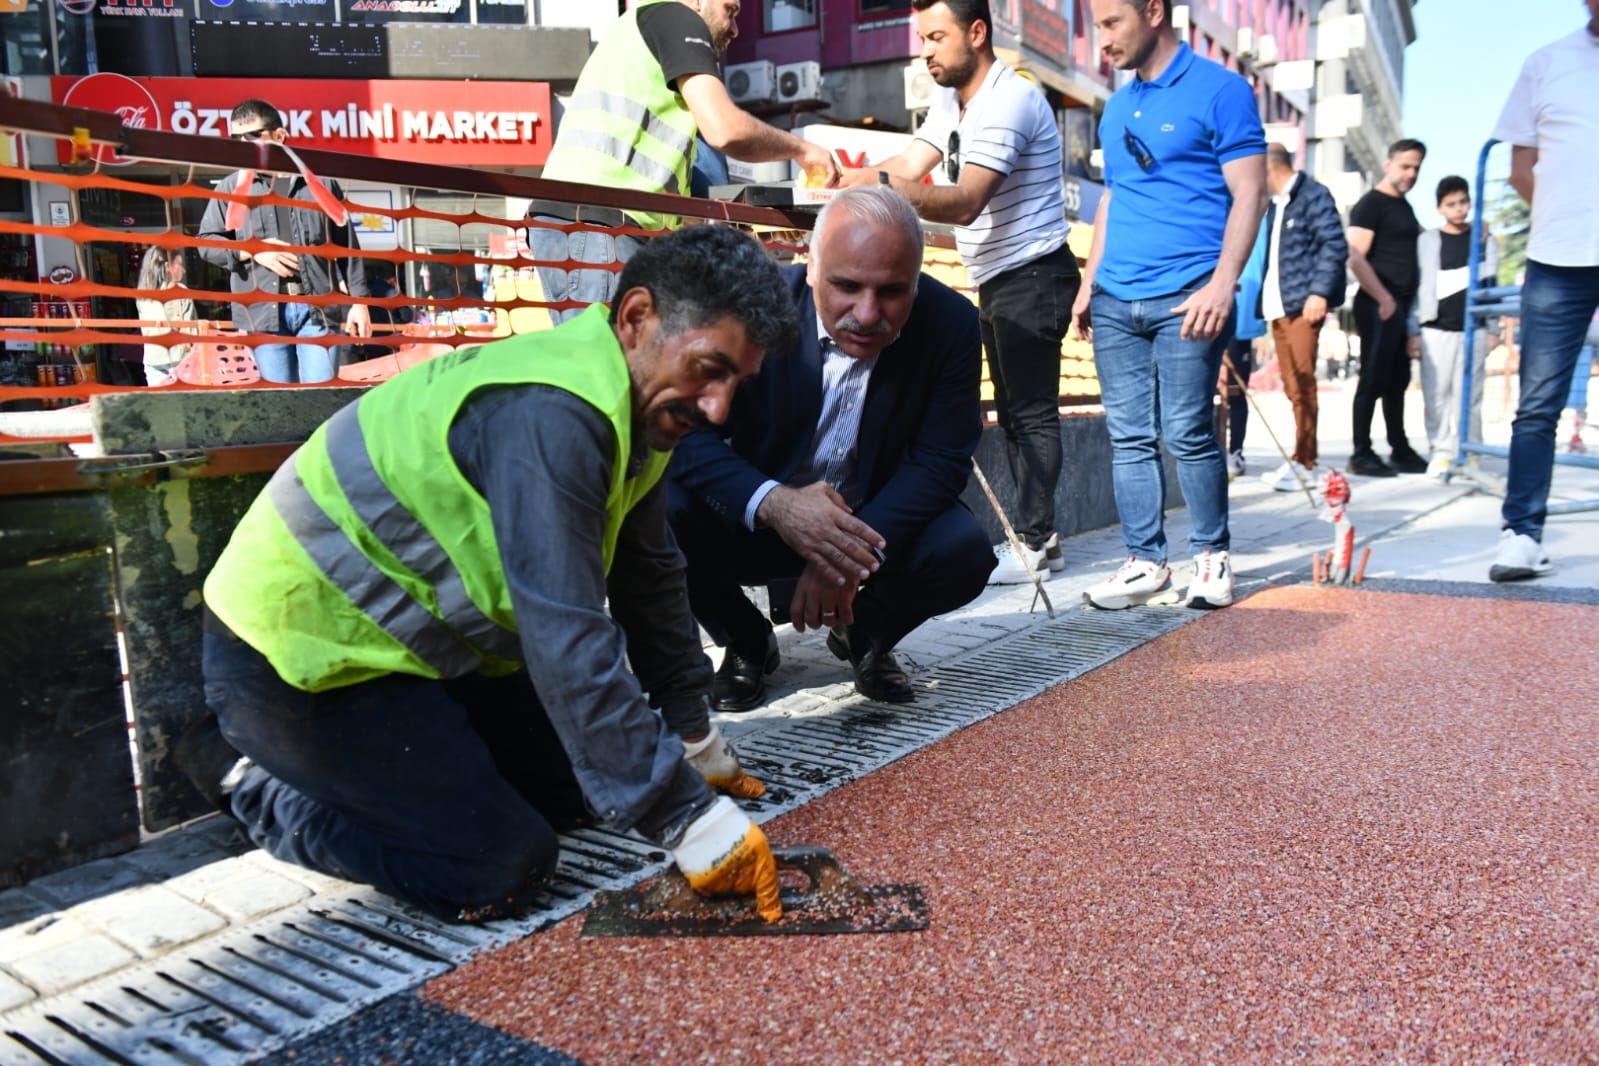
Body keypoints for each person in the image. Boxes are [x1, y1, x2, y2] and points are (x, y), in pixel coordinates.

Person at [183, 225, 797, 924]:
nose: (717, 407)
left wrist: (693, 737)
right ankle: (254, 784)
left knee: (586, 787)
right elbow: (565, 634)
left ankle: (396, 778)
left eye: (734, 384)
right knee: (495, 864)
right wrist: (691, 823)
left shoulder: (642, 404)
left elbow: (648, 578)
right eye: (708, 369)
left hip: (418, 657)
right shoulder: (553, 413)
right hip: (296, 659)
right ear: (636, 318)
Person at [668, 185, 992, 711]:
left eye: (892, 291)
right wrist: (775, 503)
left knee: (965, 550)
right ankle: (746, 641)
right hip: (758, 516)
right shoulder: (752, 307)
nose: (867, 314)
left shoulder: (951, 323)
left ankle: (866, 635)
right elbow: (684, 432)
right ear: (812, 266)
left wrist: (842, 554)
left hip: (870, 520)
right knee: (660, 509)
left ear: (917, 280)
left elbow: (942, 461)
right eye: (847, 286)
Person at [838, 0, 1079, 585]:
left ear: (976, 32)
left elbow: (966, 201)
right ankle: (1037, 539)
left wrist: (883, 185)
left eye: (936, 37)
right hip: (998, 275)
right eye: (922, 37)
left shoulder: (1009, 99)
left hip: (1033, 272)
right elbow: (913, 161)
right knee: (1014, 412)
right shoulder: (953, 100)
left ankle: (1036, 542)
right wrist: (851, 179)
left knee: (1031, 413)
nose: (924, 51)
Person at [1071, 0, 1267, 610]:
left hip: (1189, 295)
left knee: (1186, 431)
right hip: (1115, 298)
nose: (1100, 40)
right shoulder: (1118, 106)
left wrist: (1222, 283)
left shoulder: (1222, 90)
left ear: (1153, 11)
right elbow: (1113, 201)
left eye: (1110, 23)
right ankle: (1146, 563)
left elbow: (1251, 191)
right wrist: (1088, 282)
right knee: (1128, 437)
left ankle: (1211, 558)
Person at [531, 0, 839, 323]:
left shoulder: (648, 50)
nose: (735, 29)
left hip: (586, 223)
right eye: (729, 11)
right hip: (597, 223)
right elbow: (725, 129)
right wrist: (803, 150)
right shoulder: (675, 16)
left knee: (611, 363)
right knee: (610, 365)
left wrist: (765, 230)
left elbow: (691, 217)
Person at [1489, 0, 1599, 581]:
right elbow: (1519, 167)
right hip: (1559, 258)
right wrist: (1566, 218)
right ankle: (1522, 534)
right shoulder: (1547, 62)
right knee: (1538, 406)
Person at [196, 100, 371, 384]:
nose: (244, 144)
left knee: (322, 397)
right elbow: (205, 244)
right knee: (282, 404)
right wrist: (252, 251)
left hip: (319, 310)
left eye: (253, 136)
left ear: (279, 135)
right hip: (263, 314)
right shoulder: (231, 188)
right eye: (236, 139)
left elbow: (348, 246)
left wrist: (359, 303)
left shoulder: (319, 184)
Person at [1256, 143, 1347, 491]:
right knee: (1293, 387)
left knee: (1305, 385)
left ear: (1269, 168)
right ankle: (1298, 458)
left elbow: (1334, 244)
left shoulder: (1312, 195)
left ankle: (1306, 463)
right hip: (1278, 307)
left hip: (1303, 305)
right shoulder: (1274, 206)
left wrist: (1319, 293)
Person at [1345, 138, 1428, 477]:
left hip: (1400, 306)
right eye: (1406, 166)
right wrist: (1383, 297)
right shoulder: (1371, 204)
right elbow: (1354, 256)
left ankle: (1400, 447)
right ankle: (1361, 451)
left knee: (1397, 381)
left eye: (1417, 168)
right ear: (1388, 164)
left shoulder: (1405, 207)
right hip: (1379, 305)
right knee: (1373, 379)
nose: (1411, 174)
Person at [1417, 175, 1499, 480]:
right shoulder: (1427, 240)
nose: (1459, 209)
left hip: (1473, 326)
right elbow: (1420, 283)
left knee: (1470, 394)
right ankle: (1440, 451)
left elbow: (1492, 280)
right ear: (1440, 208)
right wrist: (1415, 327)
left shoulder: (1484, 238)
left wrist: (1492, 326)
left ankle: (1470, 452)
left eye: (1463, 202)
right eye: (1451, 204)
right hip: (1436, 326)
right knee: (1437, 393)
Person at [1223, 222, 1268, 481]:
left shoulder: (1260, 215)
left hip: (1241, 316)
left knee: (1237, 391)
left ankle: (1235, 451)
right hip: (1204, 309)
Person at [134, 245, 195, 386]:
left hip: (152, 361)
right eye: (179, 264)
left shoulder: (142, 294)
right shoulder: (181, 292)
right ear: (167, 266)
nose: (183, 270)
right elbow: (192, 333)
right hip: (179, 362)